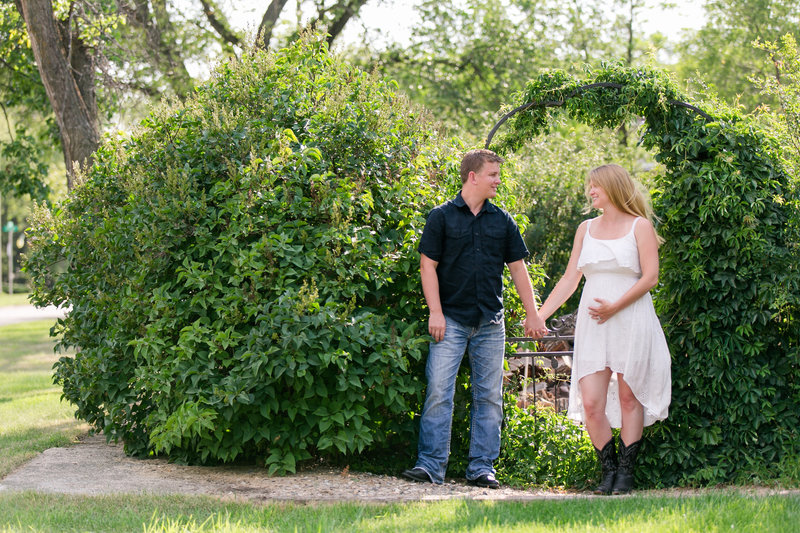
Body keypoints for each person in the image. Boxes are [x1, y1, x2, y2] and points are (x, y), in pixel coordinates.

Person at [401, 149, 547, 489]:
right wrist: (435, 312)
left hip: (490, 323)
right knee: (439, 390)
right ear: (473, 177)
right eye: (493, 174)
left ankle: (482, 468)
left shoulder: (503, 220)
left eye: (498, 174)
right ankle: (431, 465)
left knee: (490, 396)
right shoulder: (441, 217)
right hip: (449, 319)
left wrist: (533, 313)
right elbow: (428, 267)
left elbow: (518, 270)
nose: (498, 180)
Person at [536, 164, 671, 494]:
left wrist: (614, 307)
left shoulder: (640, 226)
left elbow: (650, 277)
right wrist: (540, 315)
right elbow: (570, 278)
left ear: (613, 186)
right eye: (589, 186)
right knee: (592, 402)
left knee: (628, 395)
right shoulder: (585, 228)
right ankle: (607, 470)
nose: (590, 191)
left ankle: (625, 473)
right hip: (594, 324)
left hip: (631, 317)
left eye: (595, 185)